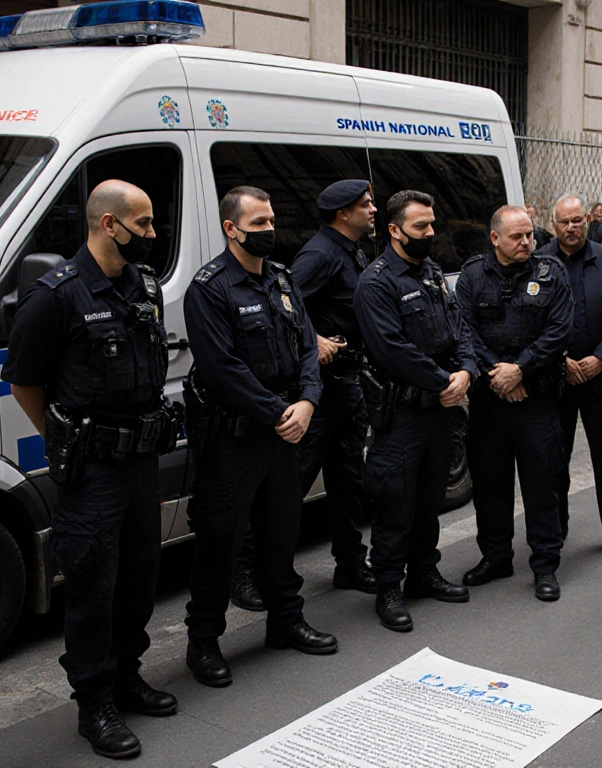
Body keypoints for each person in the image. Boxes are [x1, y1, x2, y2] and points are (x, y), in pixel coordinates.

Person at [3, 179, 179, 759]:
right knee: (91, 589)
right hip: (93, 471)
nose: (152, 235)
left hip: (141, 462)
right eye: (144, 225)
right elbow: (25, 381)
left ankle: (126, 674)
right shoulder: (56, 296)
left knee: (138, 580)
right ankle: (94, 702)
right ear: (109, 225)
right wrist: (67, 439)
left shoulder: (141, 285)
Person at [182, 186, 337, 689]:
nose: (270, 230)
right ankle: (204, 643)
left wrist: (308, 401)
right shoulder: (209, 289)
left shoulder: (282, 278)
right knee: (220, 545)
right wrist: (278, 412)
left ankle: (285, 621)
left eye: (271, 220)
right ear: (232, 229)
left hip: (285, 431)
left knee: (280, 533)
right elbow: (221, 368)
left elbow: (307, 347)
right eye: (259, 223)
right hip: (236, 439)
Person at [355, 190, 478, 632]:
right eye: (421, 227)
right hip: (402, 414)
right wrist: (444, 380)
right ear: (394, 230)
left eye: (431, 225)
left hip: (440, 410)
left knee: (430, 498)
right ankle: (390, 586)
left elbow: (458, 325)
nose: (430, 234)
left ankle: (425, 571)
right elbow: (392, 349)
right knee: (396, 502)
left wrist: (466, 369)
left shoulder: (428, 273)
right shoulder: (376, 282)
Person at [456, 205, 572, 601]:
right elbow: (464, 332)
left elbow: (559, 331)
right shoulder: (472, 275)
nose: (527, 242)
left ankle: (545, 565)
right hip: (490, 400)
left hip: (536, 399)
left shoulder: (551, 273)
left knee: (542, 485)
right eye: (517, 237)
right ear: (495, 239)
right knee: (490, 484)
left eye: (530, 235)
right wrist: (500, 375)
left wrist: (520, 370)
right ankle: (495, 557)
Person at [287, 179, 377, 594]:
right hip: (319, 388)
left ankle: (350, 563)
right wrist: (314, 339)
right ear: (343, 214)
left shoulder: (349, 250)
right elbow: (284, 303)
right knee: (296, 481)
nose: (374, 209)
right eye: (366, 204)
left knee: (346, 481)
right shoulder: (320, 254)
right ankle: (265, 570)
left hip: (347, 382)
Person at [535, 195, 602, 561]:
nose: (572, 228)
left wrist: (600, 359)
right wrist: (559, 360)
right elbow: (530, 321)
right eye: (564, 222)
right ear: (554, 224)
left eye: (577, 220)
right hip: (555, 381)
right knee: (554, 460)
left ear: (586, 222)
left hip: (599, 379)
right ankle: (555, 529)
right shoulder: (539, 262)